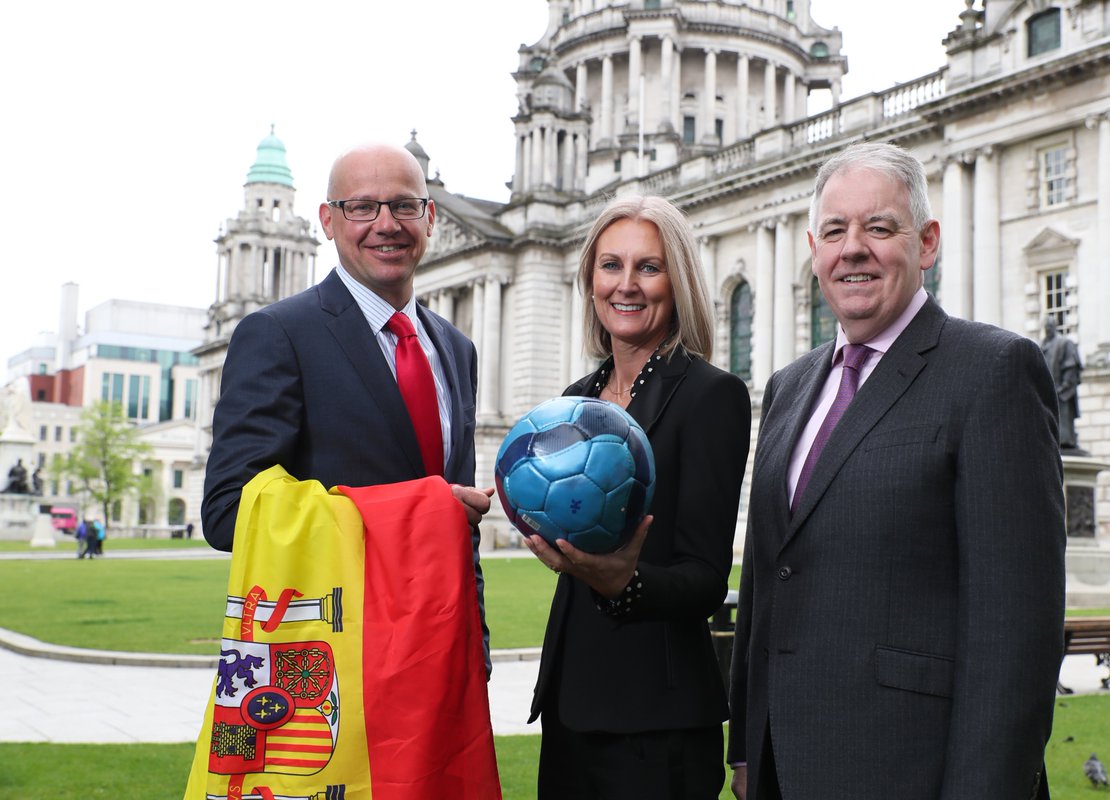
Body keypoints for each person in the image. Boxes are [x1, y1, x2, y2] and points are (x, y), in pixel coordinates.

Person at [728, 142, 1065, 799]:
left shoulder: (992, 371)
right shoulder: (788, 387)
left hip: (910, 770)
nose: (854, 248)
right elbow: (770, 579)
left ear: (928, 242)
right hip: (783, 767)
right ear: (814, 247)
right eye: (835, 230)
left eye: (879, 227)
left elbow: (1016, 631)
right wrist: (747, 749)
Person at [201, 142, 493, 667]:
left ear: (430, 217)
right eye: (361, 207)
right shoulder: (278, 335)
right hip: (333, 658)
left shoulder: (456, 349)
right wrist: (411, 510)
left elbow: (459, 524)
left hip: (445, 657)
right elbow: (227, 514)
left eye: (405, 205)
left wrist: (477, 649)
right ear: (328, 221)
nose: (386, 224)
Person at [525, 195, 752, 799]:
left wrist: (622, 582)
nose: (626, 285)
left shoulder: (712, 396)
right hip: (571, 703)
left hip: (658, 721)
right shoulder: (576, 399)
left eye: (649, 268)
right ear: (590, 280)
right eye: (611, 266)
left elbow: (705, 579)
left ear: (678, 282)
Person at [1041, 315, 1083, 451]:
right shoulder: (1043, 345)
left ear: (1055, 326)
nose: (1047, 329)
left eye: (1049, 326)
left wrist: (1064, 387)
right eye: (1045, 327)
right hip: (1046, 392)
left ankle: (1066, 441)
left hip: (1061, 391)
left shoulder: (1065, 343)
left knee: (1063, 421)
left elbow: (1071, 366)